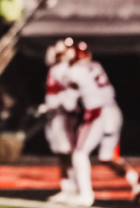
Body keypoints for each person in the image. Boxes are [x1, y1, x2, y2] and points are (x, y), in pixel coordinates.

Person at [66, 42, 140, 205]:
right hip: (114, 110)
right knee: (107, 157)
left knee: (79, 154)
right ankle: (134, 179)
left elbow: (69, 103)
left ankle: (86, 195)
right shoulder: (96, 66)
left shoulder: (75, 71)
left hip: (97, 113)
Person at [43, 39, 79, 203]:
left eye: (59, 53)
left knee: (68, 152)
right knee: (60, 152)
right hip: (55, 114)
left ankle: (74, 187)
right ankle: (66, 187)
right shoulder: (55, 68)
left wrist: (64, 105)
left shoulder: (68, 70)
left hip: (65, 115)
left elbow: (73, 92)